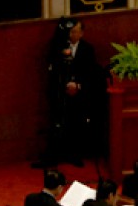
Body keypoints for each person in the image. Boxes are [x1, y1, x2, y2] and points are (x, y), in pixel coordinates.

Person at [40, 16, 107, 166]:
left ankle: (75, 155)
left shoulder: (88, 49)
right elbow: (54, 69)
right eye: (71, 32)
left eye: (76, 32)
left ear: (81, 33)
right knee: (57, 122)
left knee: (77, 124)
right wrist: (65, 85)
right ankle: (54, 156)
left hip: (79, 93)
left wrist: (77, 85)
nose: (72, 35)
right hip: (60, 92)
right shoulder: (58, 46)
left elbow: (90, 72)